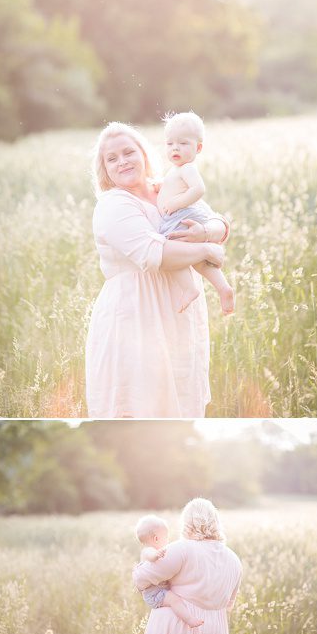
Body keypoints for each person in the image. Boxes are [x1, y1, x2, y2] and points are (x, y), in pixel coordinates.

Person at [85, 122, 228, 418]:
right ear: (105, 169)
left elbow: (220, 224)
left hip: (177, 314)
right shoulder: (112, 205)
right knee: (142, 403)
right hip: (135, 314)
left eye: (128, 152)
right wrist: (205, 250)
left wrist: (205, 232)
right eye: (112, 159)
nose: (122, 161)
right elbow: (154, 255)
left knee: (181, 398)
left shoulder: (168, 187)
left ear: (143, 153)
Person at [133, 498, 241, 634]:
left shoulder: (181, 549)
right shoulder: (234, 560)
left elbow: (141, 578)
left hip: (178, 630)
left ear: (187, 522)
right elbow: (229, 605)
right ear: (215, 521)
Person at [156, 112, 234, 314]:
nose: (175, 147)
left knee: (173, 253)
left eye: (183, 143)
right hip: (180, 217)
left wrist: (176, 202)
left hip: (180, 217)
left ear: (198, 148)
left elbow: (198, 190)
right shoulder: (176, 170)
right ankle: (223, 288)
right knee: (198, 261)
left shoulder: (187, 168)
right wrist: (161, 186)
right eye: (170, 143)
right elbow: (174, 186)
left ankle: (189, 288)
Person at [132, 514, 203, 629]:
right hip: (154, 593)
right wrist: (156, 555)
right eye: (166, 537)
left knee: (174, 599)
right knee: (175, 600)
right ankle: (190, 620)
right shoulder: (148, 551)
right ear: (156, 538)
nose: (168, 541)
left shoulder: (154, 549)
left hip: (157, 590)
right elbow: (149, 556)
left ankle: (189, 619)